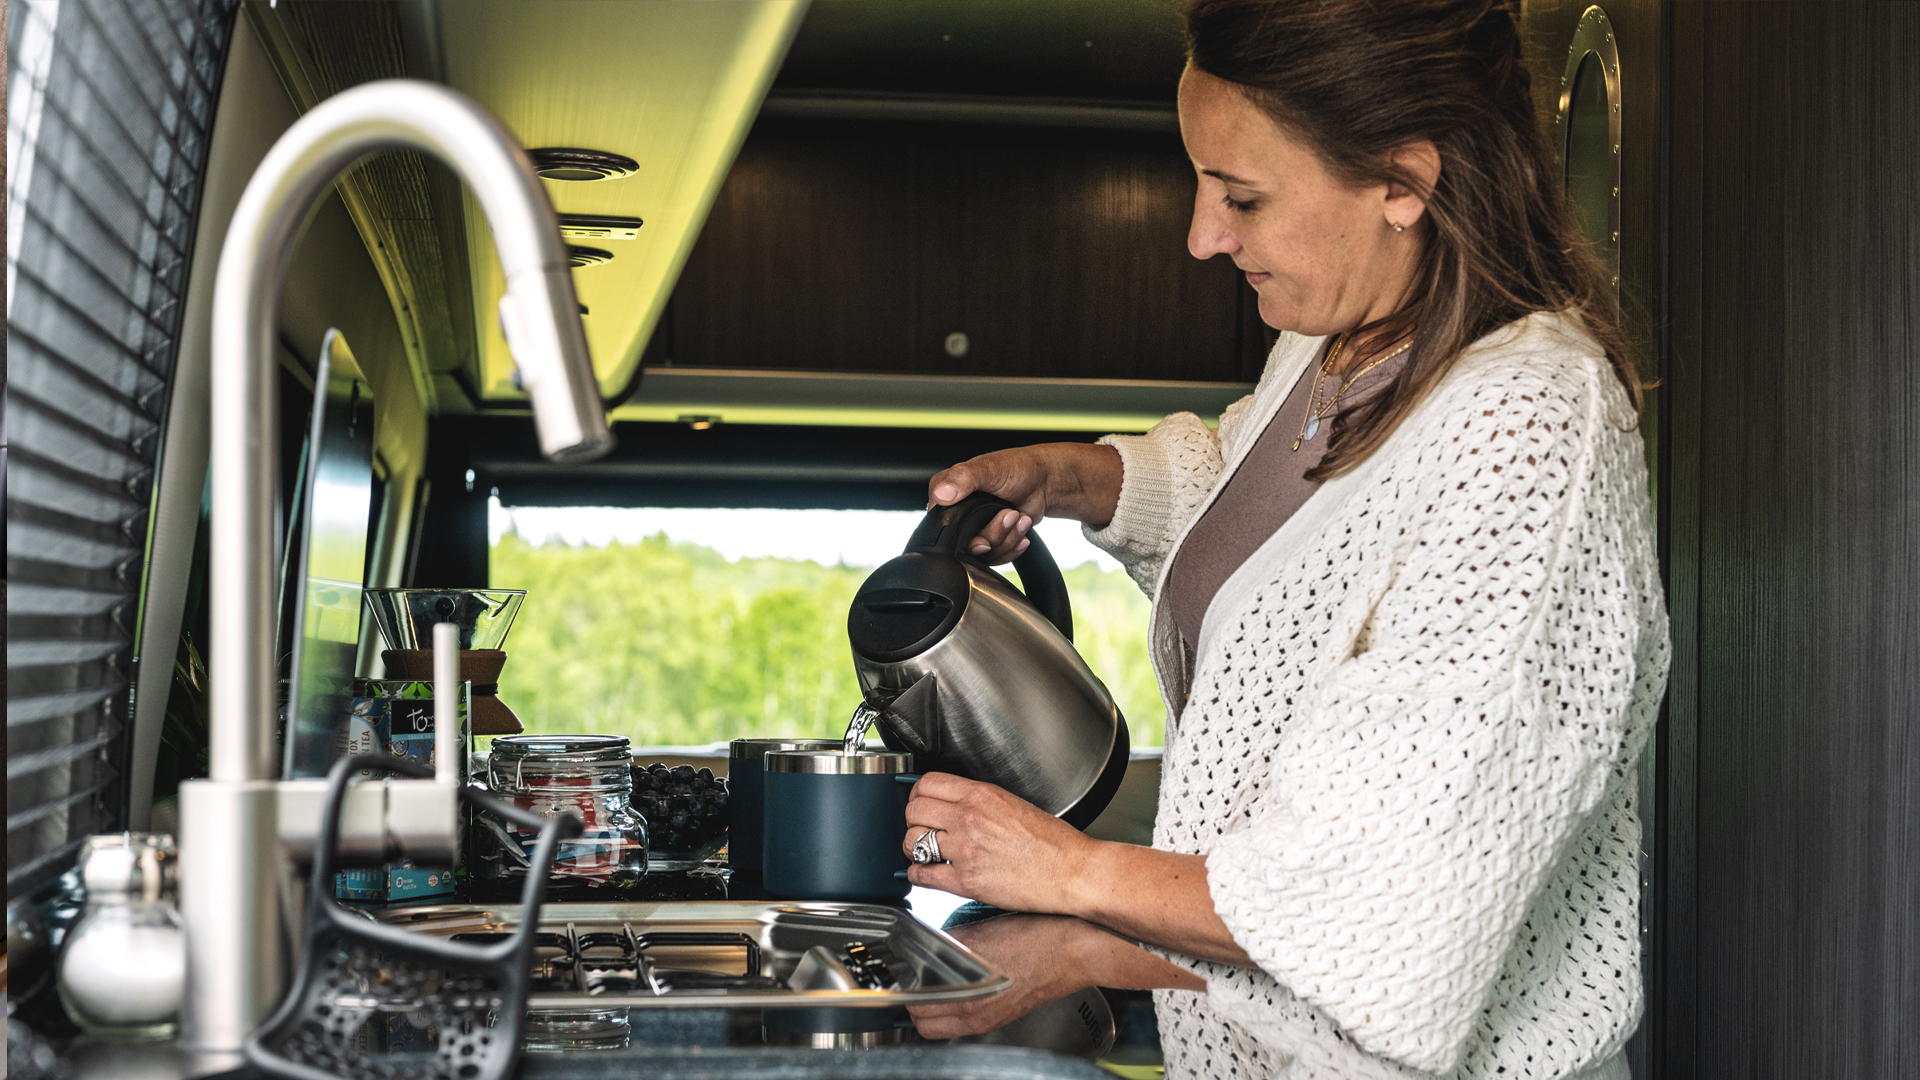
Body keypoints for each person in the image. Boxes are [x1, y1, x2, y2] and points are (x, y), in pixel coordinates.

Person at [895, 1, 1670, 1078]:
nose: (1204, 235)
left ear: (1404, 181)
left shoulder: (1530, 426)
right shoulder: (1337, 347)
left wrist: (1072, 878)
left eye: (1243, 195)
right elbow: (1273, 538)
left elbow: (1381, 901)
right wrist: (1075, 477)